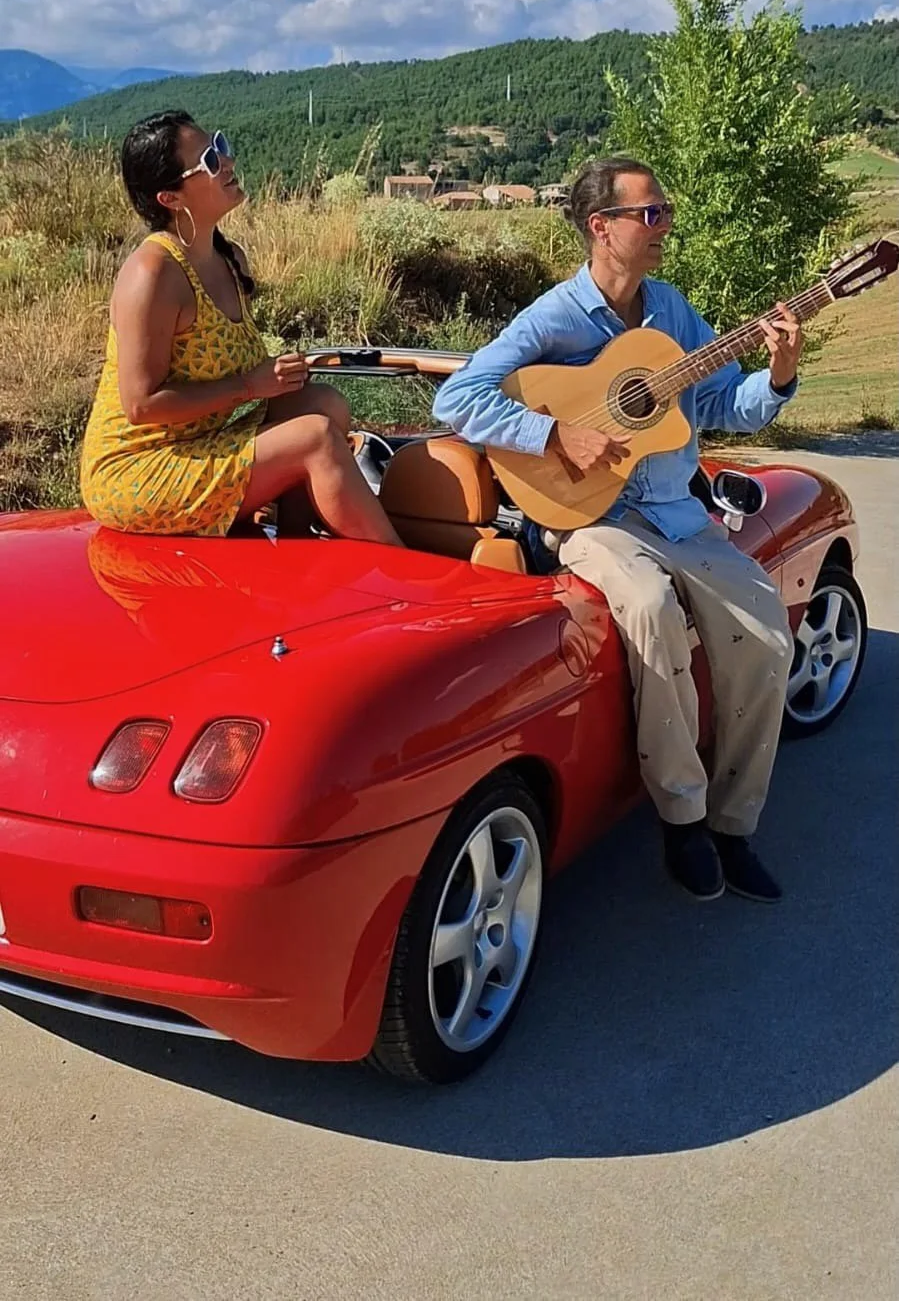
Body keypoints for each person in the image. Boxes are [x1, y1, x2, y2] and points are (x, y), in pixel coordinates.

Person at [433, 158, 802, 903]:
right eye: (650, 214)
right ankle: (682, 818)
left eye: (664, 212)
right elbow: (457, 396)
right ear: (601, 227)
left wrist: (780, 370)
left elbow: (722, 405)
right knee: (646, 604)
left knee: (765, 629)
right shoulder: (555, 317)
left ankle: (733, 825)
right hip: (592, 518)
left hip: (673, 514)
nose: (664, 225)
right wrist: (552, 434)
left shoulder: (671, 312)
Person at [80, 111, 401, 547]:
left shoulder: (228, 259)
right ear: (170, 198)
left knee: (324, 404)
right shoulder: (152, 273)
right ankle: (396, 578)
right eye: (211, 160)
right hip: (138, 471)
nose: (228, 162)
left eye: (221, 145)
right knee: (316, 438)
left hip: (199, 442)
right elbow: (142, 405)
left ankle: (299, 550)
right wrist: (251, 385)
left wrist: (277, 376)